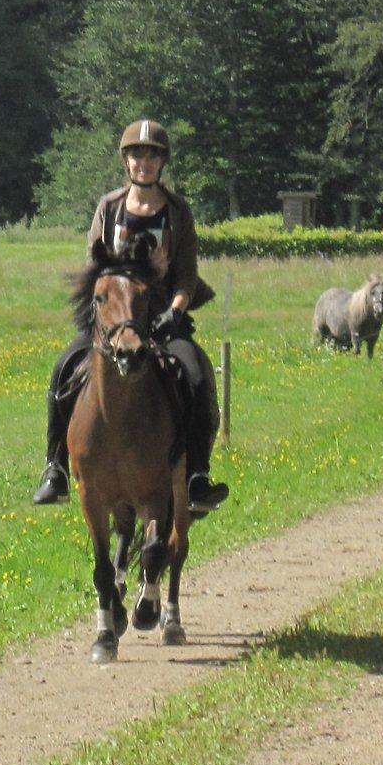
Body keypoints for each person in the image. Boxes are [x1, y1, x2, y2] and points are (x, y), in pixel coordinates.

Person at [32, 118, 229, 512]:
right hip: (114, 318)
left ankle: (196, 477)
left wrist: (174, 313)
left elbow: (186, 276)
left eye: (152, 155)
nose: (144, 162)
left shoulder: (177, 212)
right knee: (62, 369)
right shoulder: (109, 207)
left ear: (162, 162)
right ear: (126, 162)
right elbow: (94, 268)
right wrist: (104, 314)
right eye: (137, 154)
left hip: (161, 318)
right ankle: (56, 468)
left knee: (194, 374)